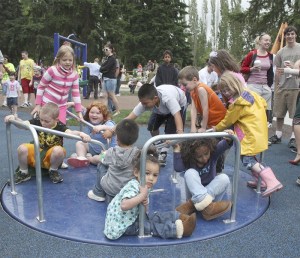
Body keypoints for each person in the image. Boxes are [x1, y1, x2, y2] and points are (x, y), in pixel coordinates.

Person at [212, 71, 283, 197]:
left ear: (235, 84)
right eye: (224, 90)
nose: (226, 92)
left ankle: (272, 181)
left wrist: (215, 129)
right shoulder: (251, 95)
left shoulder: (237, 103)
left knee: (248, 160)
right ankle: (260, 182)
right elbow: (264, 104)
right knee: (253, 159)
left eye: (228, 89)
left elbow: (228, 120)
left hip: (249, 135)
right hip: (258, 132)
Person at [104, 148, 196, 240]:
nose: (151, 178)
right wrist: (141, 196)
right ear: (136, 172)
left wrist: (145, 203)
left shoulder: (144, 186)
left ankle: (180, 217)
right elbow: (124, 205)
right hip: (122, 226)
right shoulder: (133, 186)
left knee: (156, 216)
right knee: (150, 226)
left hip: (133, 217)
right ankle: (177, 230)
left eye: (155, 175)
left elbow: (143, 211)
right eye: (147, 173)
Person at [4, 103, 91, 184]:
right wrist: (14, 118)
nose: (43, 123)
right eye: (41, 119)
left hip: (51, 156)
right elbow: (22, 125)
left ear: (56, 119)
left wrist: (80, 134)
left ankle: (53, 170)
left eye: (47, 121)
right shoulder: (38, 121)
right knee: (22, 148)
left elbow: (70, 133)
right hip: (39, 152)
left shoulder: (59, 126)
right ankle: (24, 172)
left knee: (59, 150)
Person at [125, 83, 187, 166]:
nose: (143, 105)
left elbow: (177, 116)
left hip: (179, 104)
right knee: (152, 126)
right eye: (142, 103)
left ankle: (164, 151)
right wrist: (113, 129)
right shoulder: (146, 102)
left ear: (155, 98)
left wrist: (179, 134)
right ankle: (159, 146)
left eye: (145, 103)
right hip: (160, 108)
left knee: (169, 134)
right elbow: (130, 118)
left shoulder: (168, 98)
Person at [174, 136, 232, 220]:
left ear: (210, 150)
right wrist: (176, 149)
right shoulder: (190, 160)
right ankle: (207, 208)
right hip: (194, 195)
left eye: (206, 154)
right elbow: (178, 168)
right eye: (199, 156)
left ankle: (194, 205)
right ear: (192, 155)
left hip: (210, 197)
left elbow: (224, 145)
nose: (204, 158)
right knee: (190, 172)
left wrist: (229, 139)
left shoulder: (213, 155)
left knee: (224, 178)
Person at [87, 119, 140, 202]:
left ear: (117, 139)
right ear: (135, 138)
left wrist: (91, 158)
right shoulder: (137, 153)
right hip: (128, 190)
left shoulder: (111, 152)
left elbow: (99, 159)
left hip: (111, 189)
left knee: (102, 164)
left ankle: (98, 193)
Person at [31, 45, 83, 124]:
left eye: (70, 60)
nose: (68, 62)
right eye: (64, 60)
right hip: (48, 104)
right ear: (59, 59)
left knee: (60, 129)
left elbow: (76, 93)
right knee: (46, 127)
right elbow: (41, 86)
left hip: (61, 106)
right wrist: (38, 104)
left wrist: (79, 111)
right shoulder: (52, 70)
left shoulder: (74, 74)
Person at [268, 26, 300, 150]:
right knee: (279, 113)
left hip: (296, 87)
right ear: (285, 36)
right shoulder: (281, 52)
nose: (290, 36)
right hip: (282, 86)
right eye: (288, 34)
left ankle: (293, 137)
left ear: (296, 35)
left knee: (294, 114)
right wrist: (276, 86)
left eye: (292, 34)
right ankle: (278, 134)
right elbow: (276, 70)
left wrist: (292, 66)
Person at [67, 102, 117, 167]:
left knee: (100, 159)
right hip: (92, 147)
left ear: (104, 116)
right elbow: (81, 108)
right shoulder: (90, 120)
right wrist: (72, 104)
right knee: (79, 143)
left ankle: (89, 159)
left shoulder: (108, 123)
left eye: (98, 113)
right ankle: (82, 158)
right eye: (92, 112)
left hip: (105, 151)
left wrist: (102, 127)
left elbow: (115, 129)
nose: (94, 115)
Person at [178, 66, 226, 133]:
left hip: (220, 121)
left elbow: (205, 109)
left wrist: (203, 127)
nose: (183, 87)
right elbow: (193, 109)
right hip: (211, 122)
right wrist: (193, 127)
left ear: (194, 80)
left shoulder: (201, 89)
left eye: (185, 84)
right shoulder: (192, 91)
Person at [241, 33, 274, 127]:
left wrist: (269, 85)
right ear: (260, 41)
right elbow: (242, 68)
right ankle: (251, 134)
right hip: (253, 86)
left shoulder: (270, 56)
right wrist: (251, 69)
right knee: (253, 111)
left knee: (264, 113)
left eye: (269, 40)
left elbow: (271, 72)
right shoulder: (252, 54)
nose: (268, 42)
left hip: (266, 87)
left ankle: (262, 137)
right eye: (265, 40)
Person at [100, 43, 120, 116]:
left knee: (111, 95)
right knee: (105, 95)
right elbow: (102, 67)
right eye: (104, 49)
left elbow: (105, 68)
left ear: (110, 50)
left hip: (110, 79)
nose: (105, 51)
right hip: (105, 78)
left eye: (106, 49)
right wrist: (102, 69)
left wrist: (102, 69)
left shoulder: (112, 59)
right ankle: (105, 111)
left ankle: (117, 110)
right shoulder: (107, 59)